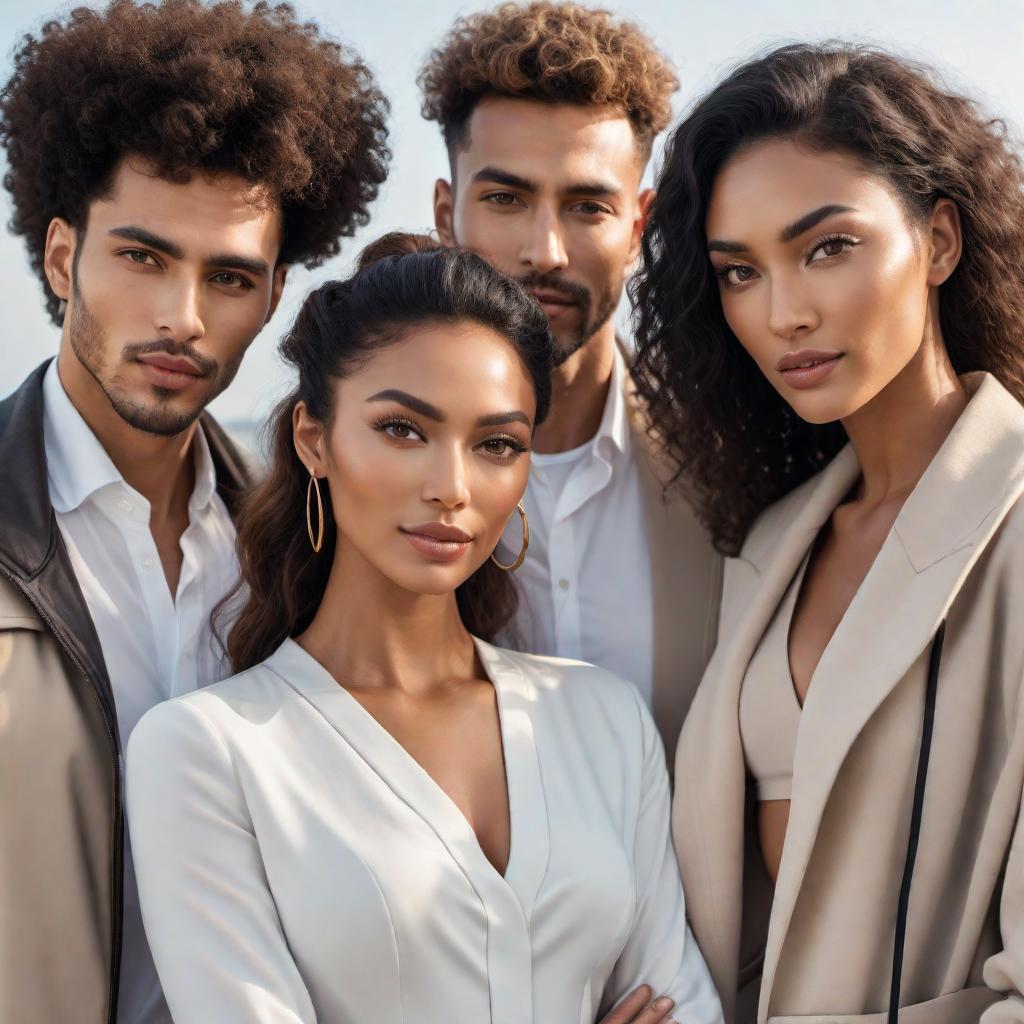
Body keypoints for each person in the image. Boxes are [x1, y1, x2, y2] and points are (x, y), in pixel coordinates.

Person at [125, 233, 724, 1024]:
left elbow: (684, 1007)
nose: (452, 487)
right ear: (315, 439)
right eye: (404, 430)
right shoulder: (206, 754)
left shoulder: (605, 722)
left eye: (497, 445)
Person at [0, 2, 390, 1021]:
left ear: (271, 300)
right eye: (141, 257)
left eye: (227, 277)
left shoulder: (306, 554)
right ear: (59, 257)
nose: (182, 317)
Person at [632, 42, 1024, 1023]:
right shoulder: (770, 547)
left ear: (938, 241)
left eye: (826, 247)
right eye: (738, 272)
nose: (783, 313)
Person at [419, 1, 722, 760]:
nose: (544, 250)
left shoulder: (729, 472)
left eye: (587, 205)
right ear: (447, 214)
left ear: (638, 226)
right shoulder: (365, 481)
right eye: (506, 199)